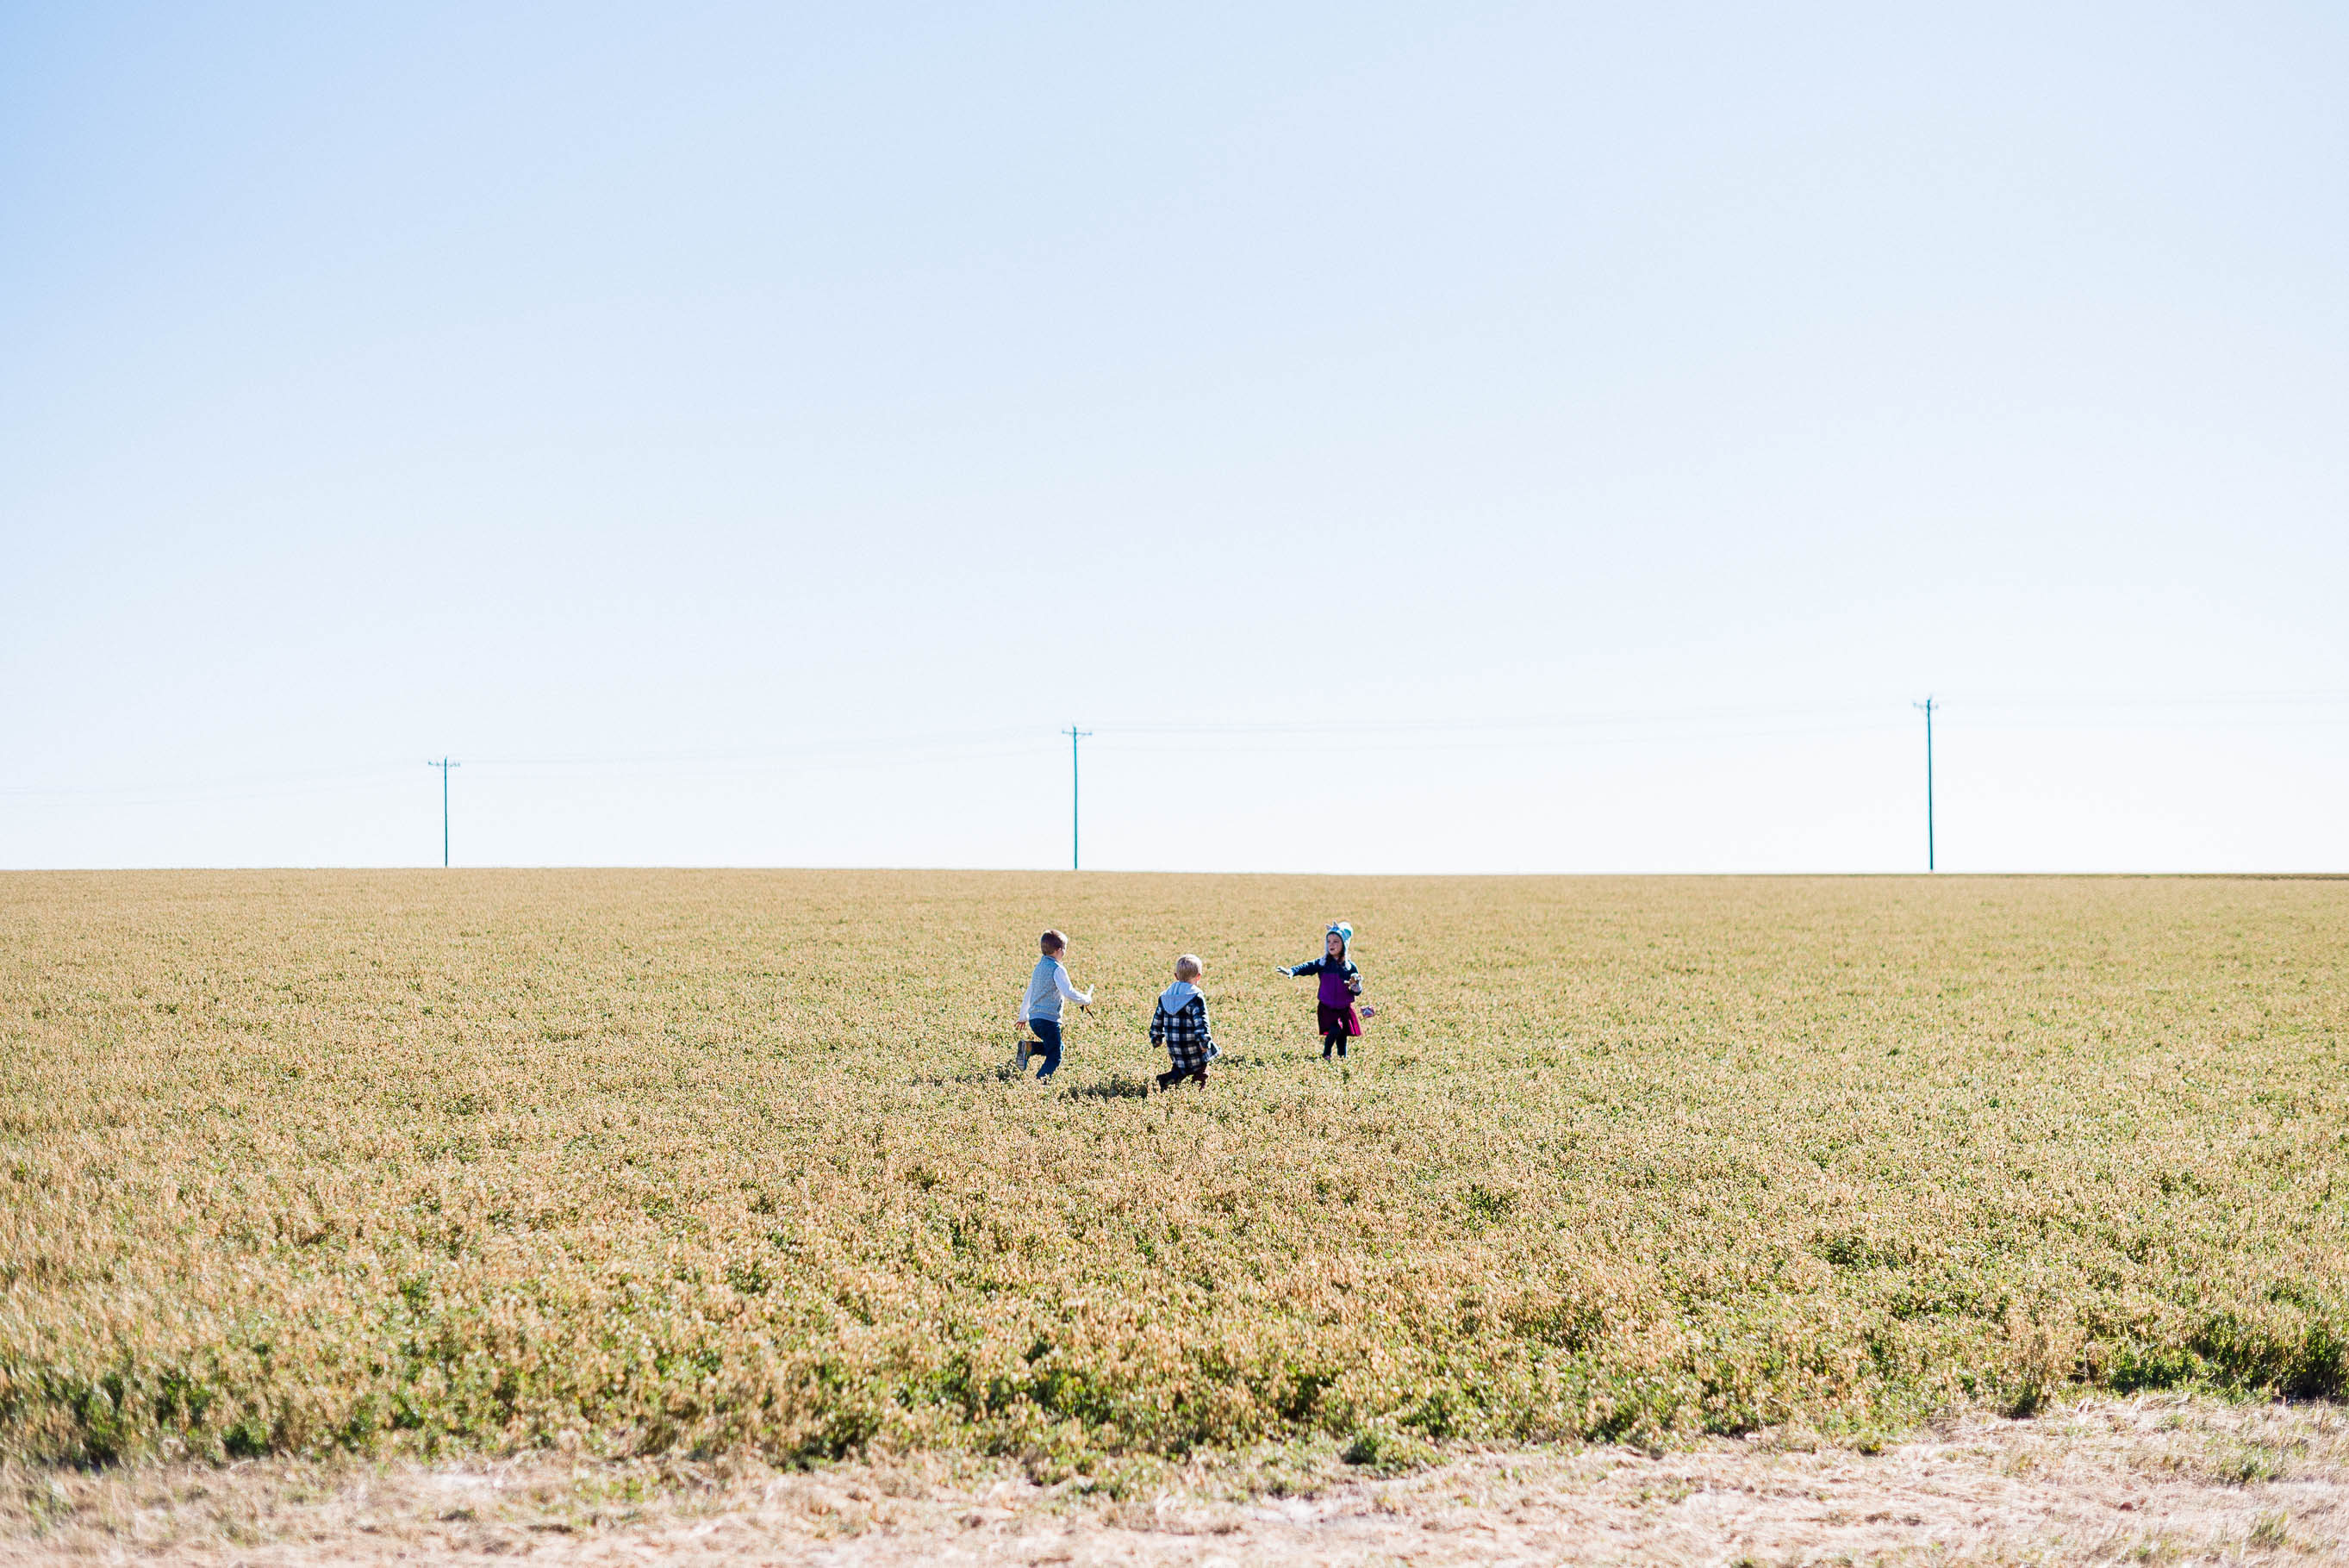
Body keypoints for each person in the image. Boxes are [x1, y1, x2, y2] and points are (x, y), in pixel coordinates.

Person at [1276, 921, 1376, 1060]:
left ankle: (1342, 1058)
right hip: (1327, 1006)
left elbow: (1357, 989)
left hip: (1344, 1007)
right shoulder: (1323, 963)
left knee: (1342, 1035)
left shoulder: (1350, 967)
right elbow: (1307, 967)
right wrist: (1291, 971)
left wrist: (1356, 987)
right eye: (1329, 941)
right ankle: (1326, 1053)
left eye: (1336, 941)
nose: (1331, 944)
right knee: (1335, 1029)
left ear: (1344, 945)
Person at [1018, 929, 1092, 1080]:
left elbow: (1029, 992)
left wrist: (1023, 1016)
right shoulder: (1058, 969)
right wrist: (1086, 999)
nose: (1064, 952)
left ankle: (1030, 1047)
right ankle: (1039, 1083)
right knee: (1055, 1056)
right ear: (1059, 950)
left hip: (1035, 1020)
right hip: (1049, 1021)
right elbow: (1068, 992)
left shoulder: (1039, 968)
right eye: (1064, 949)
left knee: (1058, 1047)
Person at [1150, 954, 1218, 1090]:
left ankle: (1170, 1078)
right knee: (1205, 1060)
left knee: (1180, 1068)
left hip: (1175, 1049)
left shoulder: (1164, 997)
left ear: (1176, 976)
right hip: (1193, 1048)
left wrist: (1156, 1039)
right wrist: (1204, 1043)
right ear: (1198, 976)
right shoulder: (1196, 997)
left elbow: (1157, 1021)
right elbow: (1201, 1023)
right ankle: (1199, 1084)